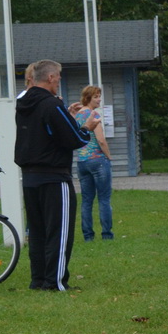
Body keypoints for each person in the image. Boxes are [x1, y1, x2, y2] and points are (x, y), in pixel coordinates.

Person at [15, 60, 90, 291]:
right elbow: (74, 139)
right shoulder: (50, 104)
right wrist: (86, 127)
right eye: (58, 77)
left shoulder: (23, 103)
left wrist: (66, 115)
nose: (59, 80)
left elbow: (44, 131)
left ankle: (38, 280)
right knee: (59, 232)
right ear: (49, 78)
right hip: (54, 177)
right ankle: (55, 282)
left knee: (37, 232)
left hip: (29, 177)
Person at [70, 85, 113, 242]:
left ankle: (88, 236)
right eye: (96, 96)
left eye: (99, 96)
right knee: (104, 198)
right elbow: (101, 140)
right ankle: (107, 235)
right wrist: (109, 157)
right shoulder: (93, 115)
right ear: (88, 98)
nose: (99, 99)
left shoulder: (77, 116)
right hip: (98, 160)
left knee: (86, 200)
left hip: (82, 162)